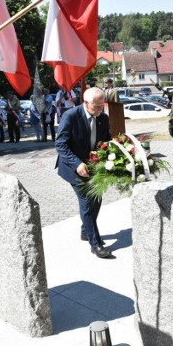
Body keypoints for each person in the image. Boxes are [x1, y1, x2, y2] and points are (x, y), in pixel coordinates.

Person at [55, 87, 112, 259]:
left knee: (97, 199)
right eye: (97, 106)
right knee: (87, 201)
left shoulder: (103, 117)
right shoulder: (71, 116)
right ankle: (96, 244)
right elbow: (61, 145)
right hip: (74, 167)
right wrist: (77, 163)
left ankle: (85, 230)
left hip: (94, 167)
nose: (100, 109)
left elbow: (106, 141)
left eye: (102, 105)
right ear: (85, 103)